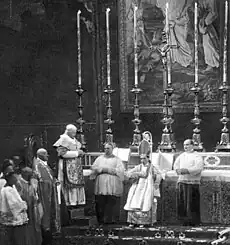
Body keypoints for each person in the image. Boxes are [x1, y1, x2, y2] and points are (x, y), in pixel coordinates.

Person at [124, 139, 161, 227]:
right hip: (138, 187)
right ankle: (133, 221)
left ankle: (144, 222)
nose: (142, 160)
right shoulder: (138, 167)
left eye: (144, 158)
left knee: (145, 203)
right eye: (141, 159)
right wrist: (134, 174)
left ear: (148, 158)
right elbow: (129, 173)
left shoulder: (152, 167)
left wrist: (156, 181)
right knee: (134, 202)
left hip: (147, 188)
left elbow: (159, 175)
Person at [90, 142, 125, 225]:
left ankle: (111, 220)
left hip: (112, 184)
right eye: (105, 148)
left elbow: (121, 171)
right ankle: (101, 220)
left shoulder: (117, 160)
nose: (106, 150)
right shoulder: (99, 159)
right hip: (101, 183)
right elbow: (94, 167)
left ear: (112, 149)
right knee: (101, 201)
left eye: (108, 148)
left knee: (111, 201)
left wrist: (110, 170)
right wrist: (100, 169)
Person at [31, 148, 61, 245]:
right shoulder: (38, 166)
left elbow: (50, 178)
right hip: (44, 195)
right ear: (40, 155)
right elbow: (41, 182)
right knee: (45, 214)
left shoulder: (44, 165)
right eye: (46, 154)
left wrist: (54, 181)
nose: (48, 156)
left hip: (50, 193)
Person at [53, 124, 85, 207]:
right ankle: (70, 202)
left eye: (75, 132)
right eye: (73, 132)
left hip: (76, 166)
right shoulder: (64, 139)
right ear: (68, 131)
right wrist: (77, 153)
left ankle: (77, 202)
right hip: (67, 165)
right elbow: (62, 154)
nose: (75, 133)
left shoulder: (73, 139)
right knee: (69, 185)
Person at [173, 139, 204, 226]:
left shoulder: (197, 156)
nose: (185, 147)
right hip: (182, 181)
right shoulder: (181, 156)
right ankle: (183, 221)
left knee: (191, 203)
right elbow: (176, 165)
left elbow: (199, 168)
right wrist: (178, 170)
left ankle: (193, 221)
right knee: (182, 202)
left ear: (192, 146)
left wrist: (186, 171)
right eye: (184, 145)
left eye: (187, 145)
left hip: (192, 183)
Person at [0, 168, 29, 245]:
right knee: (16, 240)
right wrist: (24, 205)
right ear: (9, 179)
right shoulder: (7, 190)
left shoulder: (12, 187)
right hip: (13, 220)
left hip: (14, 220)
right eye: (14, 177)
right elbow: (14, 206)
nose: (16, 179)